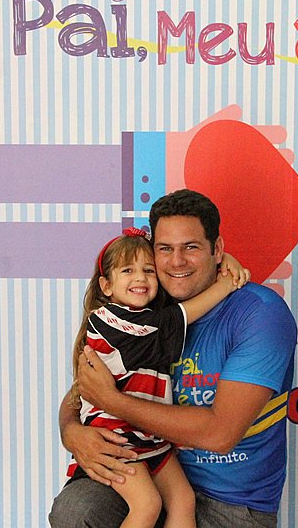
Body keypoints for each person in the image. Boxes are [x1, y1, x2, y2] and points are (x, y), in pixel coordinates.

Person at [50, 189, 297, 528]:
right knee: (77, 510)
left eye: (191, 247)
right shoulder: (145, 310)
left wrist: (113, 402)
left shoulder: (260, 314)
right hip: (150, 470)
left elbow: (219, 435)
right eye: (165, 249)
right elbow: (86, 388)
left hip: (232, 505)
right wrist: (72, 432)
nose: (177, 261)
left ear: (217, 249)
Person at [68, 226, 249, 527]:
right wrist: (226, 283)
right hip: (117, 437)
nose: (140, 278)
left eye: (149, 271)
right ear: (106, 285)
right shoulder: (109, 321)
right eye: (128, 270)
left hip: (150, 436)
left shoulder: (147, 313)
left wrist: (222, 260)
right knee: (147, 504)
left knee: (183, 500)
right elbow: (176, 319)